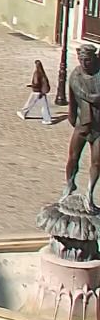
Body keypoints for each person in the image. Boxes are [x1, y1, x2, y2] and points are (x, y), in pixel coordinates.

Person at [65, 44, 100, 206]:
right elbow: (72, 100)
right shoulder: (75, 76)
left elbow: (95, 98)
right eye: (81, 60)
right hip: (82, 125)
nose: (84, 63)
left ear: (94, 59)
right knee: (72, 158)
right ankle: (69, 185)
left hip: (98, 128)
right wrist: (72, 118)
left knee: (97, 162)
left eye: (88, 60)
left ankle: (89, 193)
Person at [19, 60, 54, 124]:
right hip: (42, 92)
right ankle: (47, 119)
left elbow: (36, 82)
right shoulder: (43, 73)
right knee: (45, 106)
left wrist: (32, 85)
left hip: (37, 91)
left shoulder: (36, 73)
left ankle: (23, 113)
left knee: (30, 103)